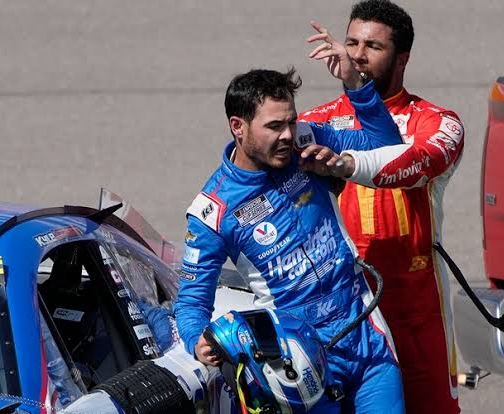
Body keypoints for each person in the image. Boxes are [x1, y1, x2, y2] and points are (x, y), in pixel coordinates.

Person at [174, 22, 405, 413]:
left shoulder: (306, 142)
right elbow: (192, 300)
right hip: (301, 363)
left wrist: (354, 84)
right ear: (238, 127)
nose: (287, 135)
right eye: (274, 126)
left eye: (291, 121)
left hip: (366, 336)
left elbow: (388, 147)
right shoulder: (213, 211)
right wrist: (197, 340)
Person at [298, 1, 464, 412]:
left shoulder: (437, 121)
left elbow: (414, 162)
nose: (356, 55)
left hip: (417, 311)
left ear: (402, 58)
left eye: (372, 46)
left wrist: (345, 164)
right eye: (351, 42)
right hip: (342, 309)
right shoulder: (315, 122)